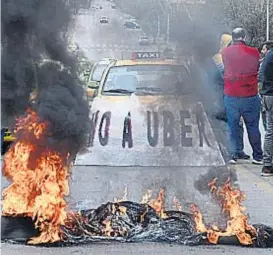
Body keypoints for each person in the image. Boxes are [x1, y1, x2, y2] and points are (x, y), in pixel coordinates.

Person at [222, 28, 263, 164]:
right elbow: (257, 68)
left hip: (231, 94)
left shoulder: (225, 52)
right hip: (250, 94)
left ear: (233, 38)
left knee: (232, 126)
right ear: (244, 37)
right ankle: (258, 156)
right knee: (252, 126)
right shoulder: (254, 52)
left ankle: (231, 155)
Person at [213, 34, 249, 161]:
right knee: (229, 124)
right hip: (222, 96)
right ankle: (231, 152)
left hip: (234, 94)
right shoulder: (218, 58)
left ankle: (239, 150)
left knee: (238, 123)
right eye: (230, 44)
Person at [259, 42, 273, 176]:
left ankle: (267, 165)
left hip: (268, 95)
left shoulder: (269, 55)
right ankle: (268, 164)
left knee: (270, 131)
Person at [258, 41, 273, 130]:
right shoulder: (264, 62)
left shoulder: (264, 62)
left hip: (265, 94)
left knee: (269, 128)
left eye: (264, 49)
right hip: (266, 93)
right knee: (269, 127)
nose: (262, 52)